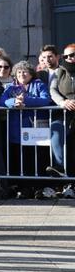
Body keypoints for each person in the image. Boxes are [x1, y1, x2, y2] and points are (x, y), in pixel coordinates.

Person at [0, 61, 55, 196]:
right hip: (16, 130)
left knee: (36, 158)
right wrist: (13, 102)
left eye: (25, 72)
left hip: (35, 129)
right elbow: (2, 101)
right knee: (19, 158)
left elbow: (46, 100)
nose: (22, 74)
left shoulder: (39, 84)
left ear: (31, 74)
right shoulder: (10, 87)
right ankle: (22, 187)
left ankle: (36, 187)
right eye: (19, 72)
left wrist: (26, 101)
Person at [48, 44, 75, 184]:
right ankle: (60, 167)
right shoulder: (59, 72)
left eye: (72, 55)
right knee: (56, 129)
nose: (69, 58)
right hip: (66, 112)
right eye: (66, 56)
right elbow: (52, 90)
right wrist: (63, 102)